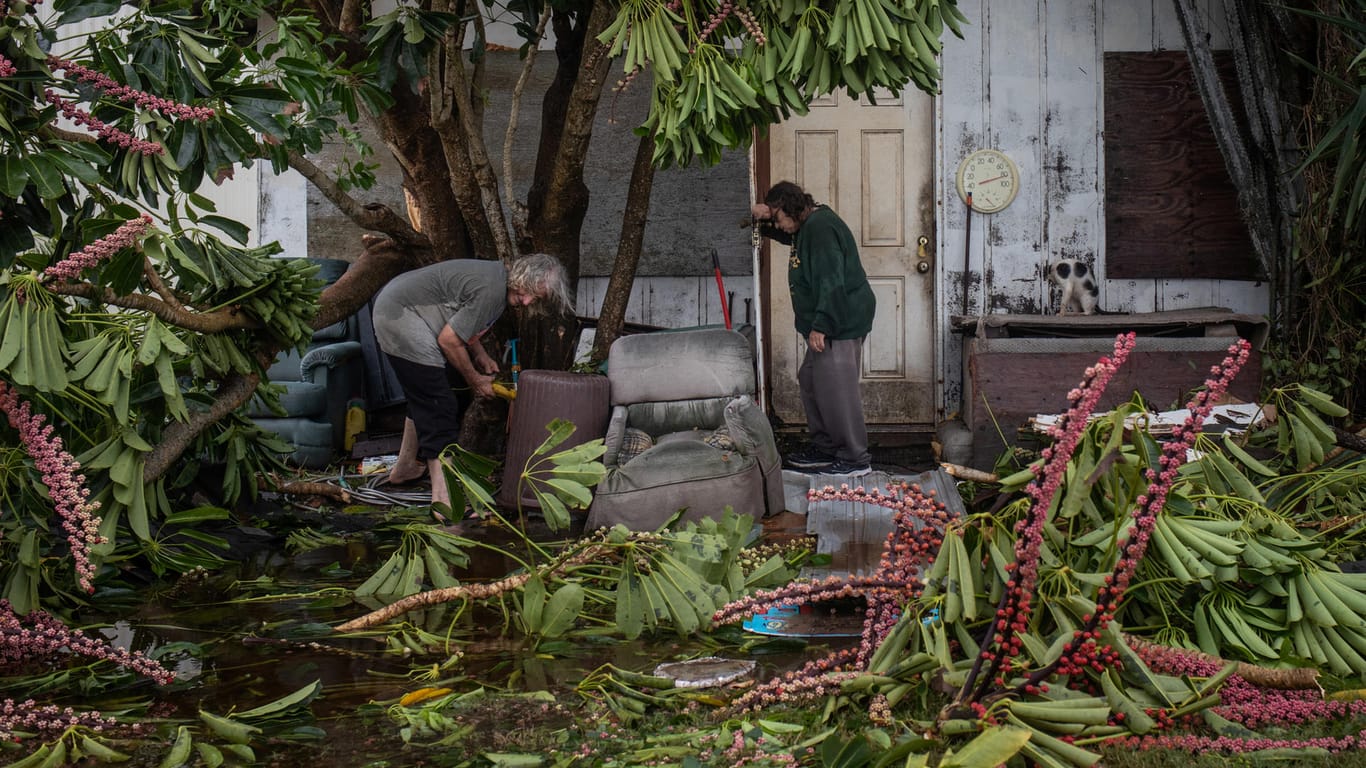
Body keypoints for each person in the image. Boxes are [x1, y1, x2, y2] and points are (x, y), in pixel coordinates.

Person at [374, 253, 571, 511]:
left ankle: (406, 466)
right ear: (522, 276)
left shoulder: (496, 282)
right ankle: (445, 504)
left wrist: (480, 355)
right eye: (528, 291)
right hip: (401, 316)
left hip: (398, 308)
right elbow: (448, 340)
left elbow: (459, 320)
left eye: (535, 298)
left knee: (424, 394)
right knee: (439, 406)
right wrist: (476, 380)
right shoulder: (492, 290)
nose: (527, 301)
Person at [752, 181, 875, 476]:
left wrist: (822, 326)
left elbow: (831, 282)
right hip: (830, 320)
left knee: (837, 390)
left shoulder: (820, 229)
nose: (779, 226)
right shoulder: (807, 225)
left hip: (839, 321)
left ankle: (855, 458)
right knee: (810, 379)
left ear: (792, 209)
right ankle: (826, 446)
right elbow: (788, 233)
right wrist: (765, 219)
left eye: (779, 217)